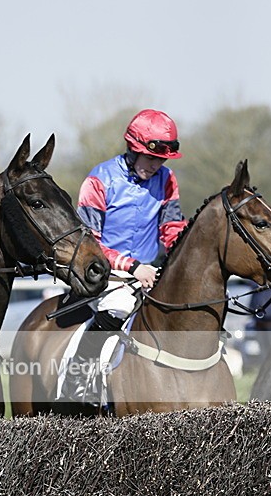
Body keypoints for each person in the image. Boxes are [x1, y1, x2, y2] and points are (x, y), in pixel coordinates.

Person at [58, 108, 187, 404]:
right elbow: (89, 242)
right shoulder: (99, 179)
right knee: (117, 307)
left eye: (162, 159)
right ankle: (76, 386)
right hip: (104, 273)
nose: (156, 165)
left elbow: (171, 228)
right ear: (133, 149)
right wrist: (131, 267)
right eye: (151, 157)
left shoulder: (167, 180)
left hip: (148, 273)